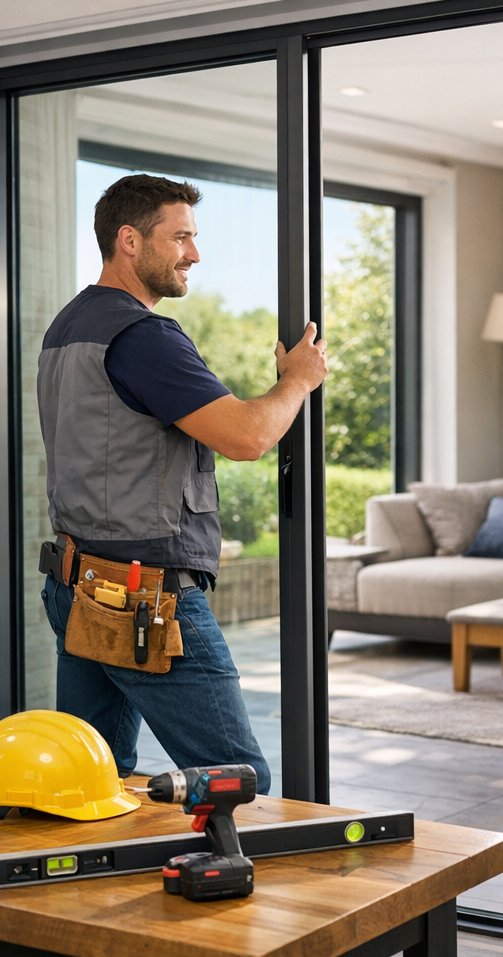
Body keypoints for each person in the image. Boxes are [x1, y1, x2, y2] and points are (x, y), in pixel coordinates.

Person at [38, 174, 328, 795]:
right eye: (181, 238)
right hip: (138, 599)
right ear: (130, 242)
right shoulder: (143, 337)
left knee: (89, 781)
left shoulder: (69, 327)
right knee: (241, 780)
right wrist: (298, 382)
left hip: (77, 580)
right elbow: (247, 437)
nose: (194, 254)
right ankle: (214, 880)